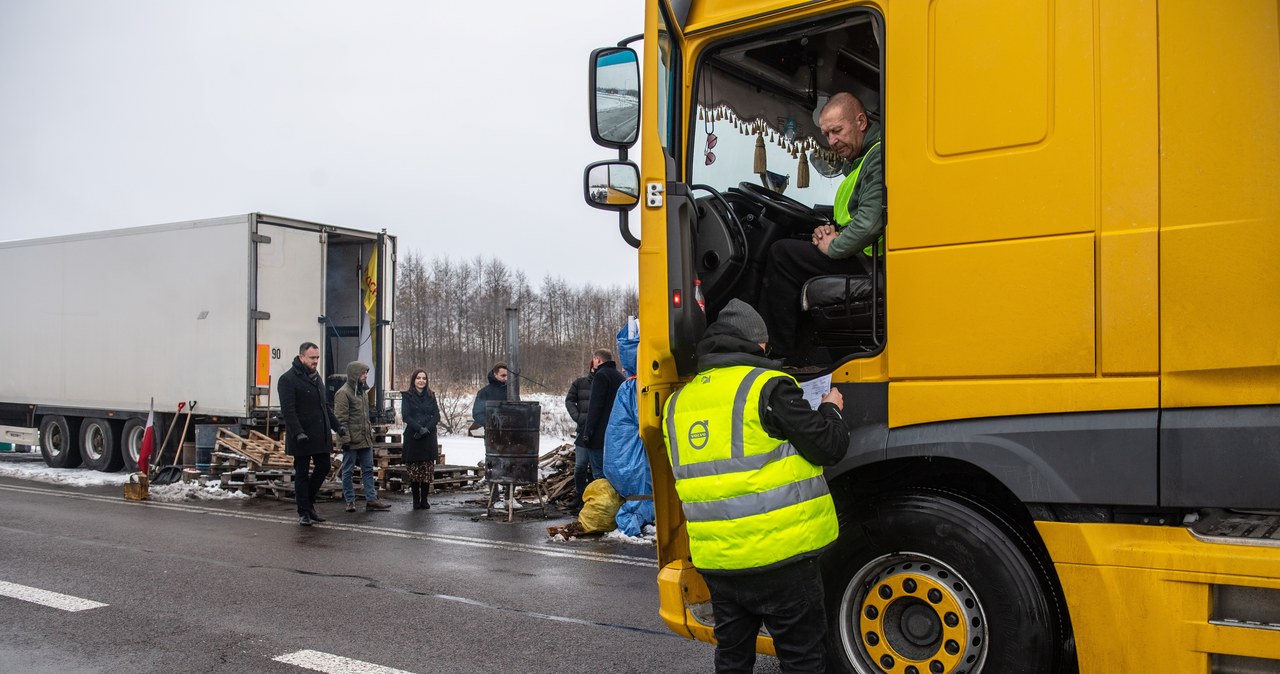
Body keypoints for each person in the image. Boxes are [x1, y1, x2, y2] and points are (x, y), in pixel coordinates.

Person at [662, 299, 849, 673]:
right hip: (781, 559)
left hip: (720, 564)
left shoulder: (676, 403)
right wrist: (831, 408)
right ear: (757, 344)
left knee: (732, 657)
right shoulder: (768, 387)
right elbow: (829, 446)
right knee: (802, 659)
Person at [759, 91, 885, 359]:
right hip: (862, 254)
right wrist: (829, 232)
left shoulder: (878, 156)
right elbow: (854, 216)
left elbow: (871, 224)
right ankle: (805, 355)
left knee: (782, 255)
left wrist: (834, 246)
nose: (832, 141)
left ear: (861, 122)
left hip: (870, 261)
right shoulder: (861, 161)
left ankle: (777, 354)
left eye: (837, 131)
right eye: (827, 134)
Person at [278, 341, 345, 527]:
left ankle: (307, 502)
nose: (315, 361)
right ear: (301, 357)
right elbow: (288, 410)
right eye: (312, 358)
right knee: (301, 473)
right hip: (301, 436)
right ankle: (304, 512)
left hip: (319, 434)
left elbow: (325, 407)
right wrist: (298, 432)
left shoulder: (317, 377)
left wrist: (337, 426)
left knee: (323, 466)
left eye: (317, 357)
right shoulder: (287, 379)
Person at [334, 361, 391, 512]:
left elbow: (364, 418)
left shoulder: (362, 393)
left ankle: (371, 499)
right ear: (354, 374)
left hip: (365, 439)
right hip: (351, 440)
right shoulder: (343, 393)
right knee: (348, 471)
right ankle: (350, 500)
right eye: (363, 373)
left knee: (367, 469)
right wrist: (344, 439)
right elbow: (341, 419)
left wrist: (369, 435)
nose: (366, 376)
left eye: (366, 373)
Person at [576, 348, 624, 505]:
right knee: (612, 474)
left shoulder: (601, 376)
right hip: (615, 434)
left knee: (599, 476)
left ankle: (604, 509)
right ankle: (615, 506)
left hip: (598, 435)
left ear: (597, 359)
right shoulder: (619, 377)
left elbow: (595, 407)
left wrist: (587, 433)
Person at [401, 368, 440, 510]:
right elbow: (406, 416)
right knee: (414, 470)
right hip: (413, 436)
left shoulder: (431, 395)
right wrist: (419, 428)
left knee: (426, 470)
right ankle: (415, 500)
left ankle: (425, 499)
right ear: (414, 380)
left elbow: (436, 416)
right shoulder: (407, 396)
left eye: (424, 378)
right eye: (418, 378)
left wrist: (427, 429)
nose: (421, 381)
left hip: (428, 436)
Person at [564, 357, 595, 511]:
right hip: (583, 430)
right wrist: (578, 417)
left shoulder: (607, 382)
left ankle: (594, 497)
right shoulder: (580, 383)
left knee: (596, 467)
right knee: (580, 465)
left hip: (600, 431)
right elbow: (569, 400)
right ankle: (580, 494)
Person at [470, 362, 510, 434]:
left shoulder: (511, 392)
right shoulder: (484, 392)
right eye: (503, 375)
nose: (506, 378)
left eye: (507, 376)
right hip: (493, 434)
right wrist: (491, 424)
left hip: (512, 433)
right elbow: (477, 414)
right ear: (495, 375)